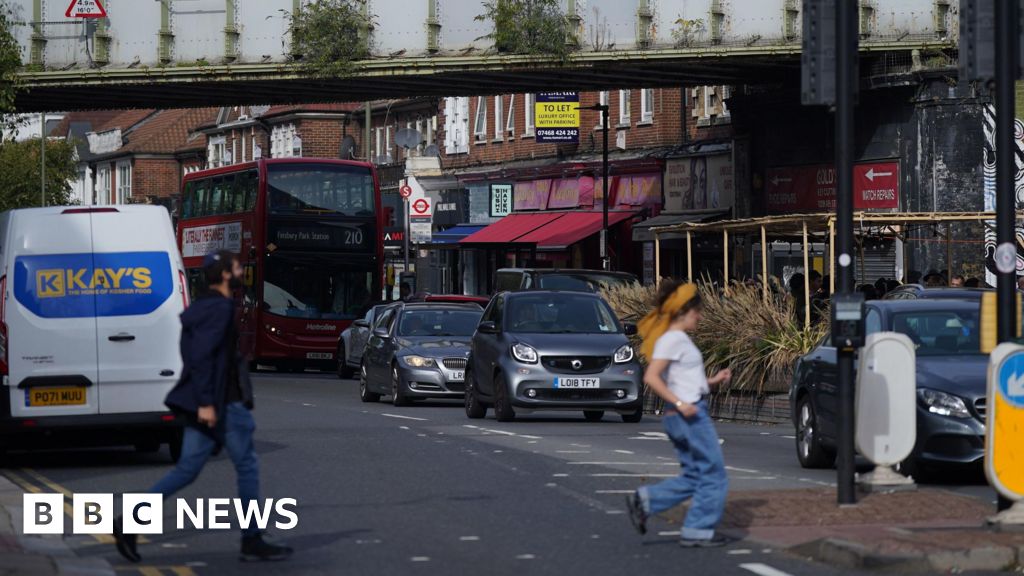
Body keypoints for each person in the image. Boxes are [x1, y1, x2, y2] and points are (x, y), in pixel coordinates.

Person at [113, 251, 292, 564]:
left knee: (187, 469)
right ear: (224, 274)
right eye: (236, 267)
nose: (240, 271)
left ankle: (129, 520)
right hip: (223, 403)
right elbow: (201, 356)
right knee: (247, 465)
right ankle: (252, 539)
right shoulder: (220, 310)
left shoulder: (200, 308)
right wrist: (209, 403)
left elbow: (193, 354)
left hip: (209, 400)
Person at [625, 281, 733, 548]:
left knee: (694, 475)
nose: (700, 316)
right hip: (688, 414)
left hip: (683, 411)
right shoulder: (673, 339)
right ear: (682, 312)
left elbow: (683, 380)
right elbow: (651, 377)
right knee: (714, 473)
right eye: (697, 311)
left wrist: (713, 380)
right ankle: (699, 529)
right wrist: (682, 403)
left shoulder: (677, 339)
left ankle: (647, 500)